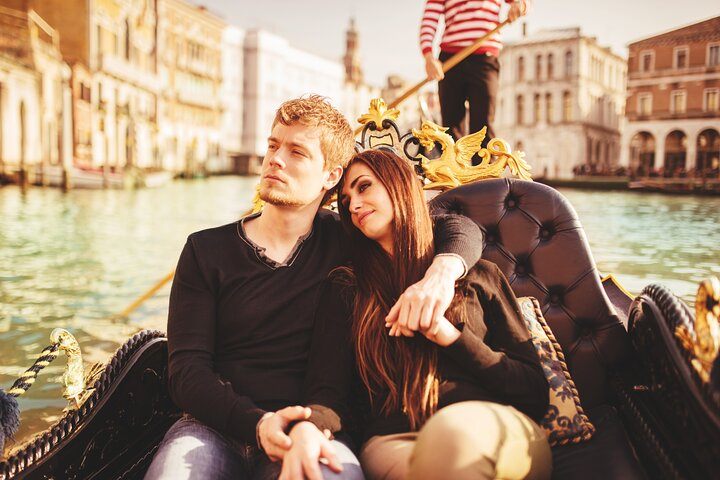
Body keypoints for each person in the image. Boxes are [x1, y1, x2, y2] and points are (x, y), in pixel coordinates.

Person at [144, 96, 484, 480]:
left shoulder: (350, 240)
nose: (275, 159)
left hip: (315, 426)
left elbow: (455, 227)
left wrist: (442, 271)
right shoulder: (205, 250)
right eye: (273, 145)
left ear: (330, 177)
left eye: (296, 152)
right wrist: (258, 424)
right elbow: (187, 372)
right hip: (211, 427)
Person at [270, 148, 552, 480]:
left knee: (450, 438)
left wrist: (449, 336)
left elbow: (534, 392)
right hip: (393, 442)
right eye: (345, 201)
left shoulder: (478, 274)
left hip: (493, 423)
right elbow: (327, 390)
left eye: (364, 187)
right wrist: (309, 428)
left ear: (399, 185)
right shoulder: (347, 289)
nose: (354, 205)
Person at [421, 0, 530, 154]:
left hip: (485, 57)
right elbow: (429, 18)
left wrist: (520, 5)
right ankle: (453, 175)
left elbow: (522, 2)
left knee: (483, 126)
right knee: (450, 129)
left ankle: (485, 176)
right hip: (451, 59)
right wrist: (428, 56)